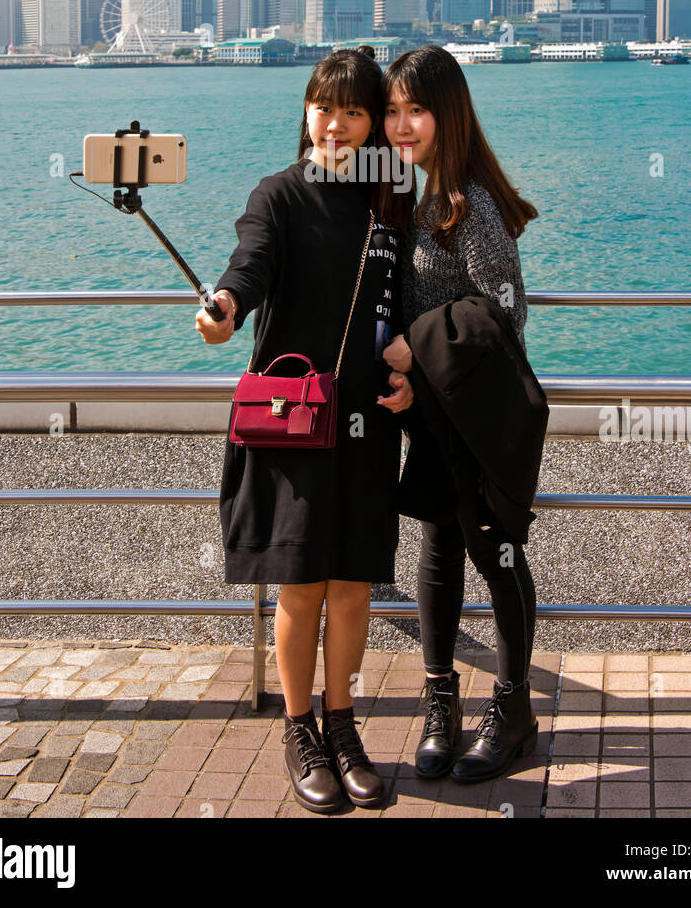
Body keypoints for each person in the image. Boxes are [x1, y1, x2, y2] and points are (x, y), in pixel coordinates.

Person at [195, 48, 413, 814]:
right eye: (324, 107)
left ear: (373, 124)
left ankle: (344, 725)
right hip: (292, 420)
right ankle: (298, 729)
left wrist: (410, 370)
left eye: (354, 111)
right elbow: (246, 268)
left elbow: (409, 302)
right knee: (299, 586)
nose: (337, 124)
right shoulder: (278, 195)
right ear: (306, 111)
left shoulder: (391, 202)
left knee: (353, 585)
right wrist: (222, 308)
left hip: (366, 421)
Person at [378, 44, 542, 783]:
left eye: (416, 109)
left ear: (449, 114)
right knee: (439, 551)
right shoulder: (415, 200)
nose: (402, 123)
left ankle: (512, 712)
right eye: (392, 110)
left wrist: (417, 344)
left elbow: (506, 313)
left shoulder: (466, 203)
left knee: (495, 554)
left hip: (476, 413)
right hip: (434, 413)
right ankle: (439, 701)